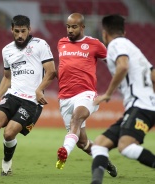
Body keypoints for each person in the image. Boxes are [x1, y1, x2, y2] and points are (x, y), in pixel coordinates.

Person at [0, 15, 56, 176]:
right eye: (17, 31)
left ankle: (7, 163)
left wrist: (39, 90)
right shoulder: (7, 50)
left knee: (9, 133)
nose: (20, 35)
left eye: (23, 31)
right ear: (12, 30)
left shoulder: (40, 45)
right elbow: (7, 77)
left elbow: (51, 72)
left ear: (30, 30)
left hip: (32, 100)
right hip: (13, 95)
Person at [90, 14, 155, 184]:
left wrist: (108, 93)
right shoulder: (133, 48)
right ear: (124, 31)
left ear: (104, 33)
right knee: (99, 144)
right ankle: (96, 182)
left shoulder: (116, 44)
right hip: (143, 105)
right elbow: (153, 73)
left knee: (125, 147)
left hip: (140, 106)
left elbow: (123, 65)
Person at [55, 13, 117, 177]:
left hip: (86, 93)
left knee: (77, 117)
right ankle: (103, 160)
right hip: (64, 97)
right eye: (68, 26)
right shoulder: (61, 43)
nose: (70, 30)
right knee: (82, 143)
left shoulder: (94, 44)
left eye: (74, 26)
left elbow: (113, 63)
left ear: (82, 27)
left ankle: (64, 151)